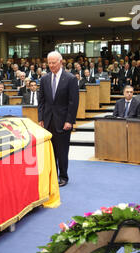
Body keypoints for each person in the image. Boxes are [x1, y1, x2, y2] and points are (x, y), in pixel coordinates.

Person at [38, 51, 79, 187]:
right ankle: (52, 175)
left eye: (53, 63)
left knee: (62, 151)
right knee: (50, 151)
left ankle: (63, 176)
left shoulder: (71, 78)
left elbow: (73, 102)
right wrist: (40, 119)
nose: (50, 65)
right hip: (48, 121)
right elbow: (41, 101)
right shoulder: (44, 79)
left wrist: (69, 121)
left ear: (60, 62)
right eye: (49, 63)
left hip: (63, 121)